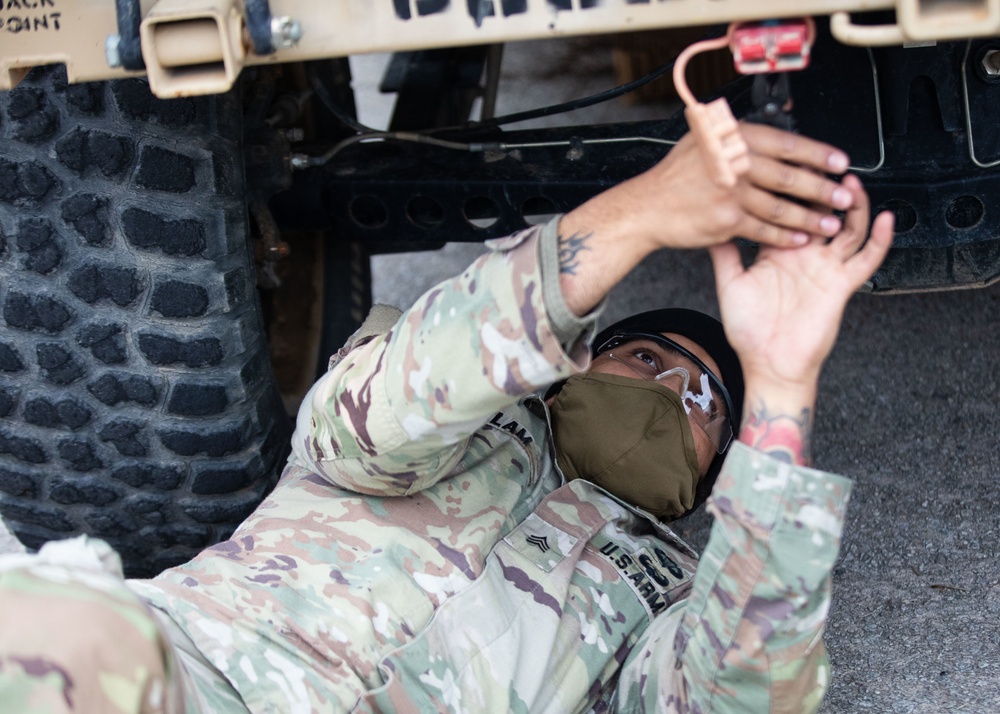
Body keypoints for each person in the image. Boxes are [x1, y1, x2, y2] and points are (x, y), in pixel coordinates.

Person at [0, 122, 893, 713]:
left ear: (709, 480)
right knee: (61, 637)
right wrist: (644, 213)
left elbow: (741, 693)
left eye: (707, 401)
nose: (670, 392)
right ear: (573, 367)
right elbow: (387, 415)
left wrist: (781, 386)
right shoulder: (462, 414)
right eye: (650, 357)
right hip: (199, 674)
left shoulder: (672, 592)